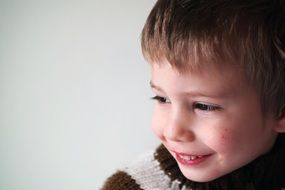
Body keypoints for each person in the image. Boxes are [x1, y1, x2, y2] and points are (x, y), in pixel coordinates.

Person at [101, 0, 285, 189]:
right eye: (162, 99)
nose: (172, 132)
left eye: (203, 106)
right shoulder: (133, 186)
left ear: (280, 110)